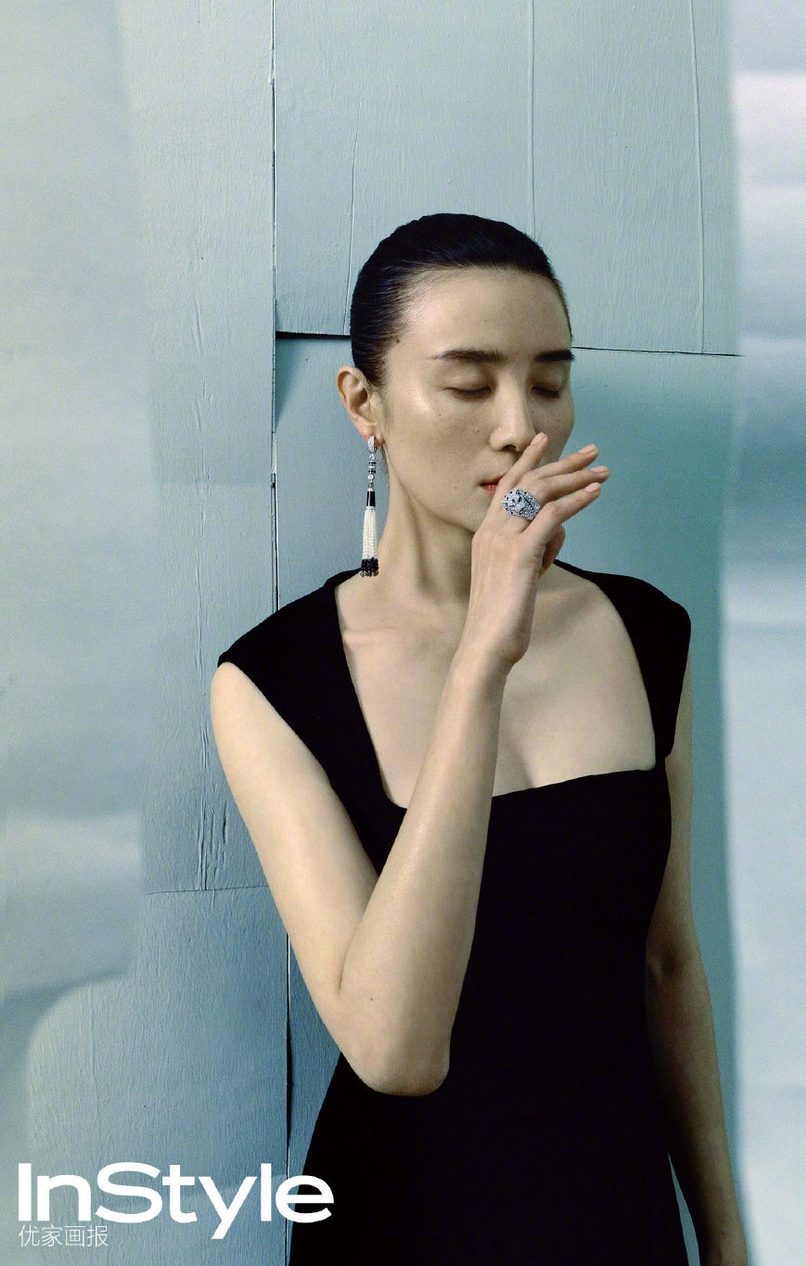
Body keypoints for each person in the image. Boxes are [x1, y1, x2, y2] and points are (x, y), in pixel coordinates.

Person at [210, 213, 747, 1264]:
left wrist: (724, 1240)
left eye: (548, 382)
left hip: (617, 1214)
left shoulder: (645, 631)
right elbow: (396, 1050)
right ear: (363, 404)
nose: (517, 427)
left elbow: (666, 965)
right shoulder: (273, 683)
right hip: (406, 1219)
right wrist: (481, 662)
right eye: (467, 385)